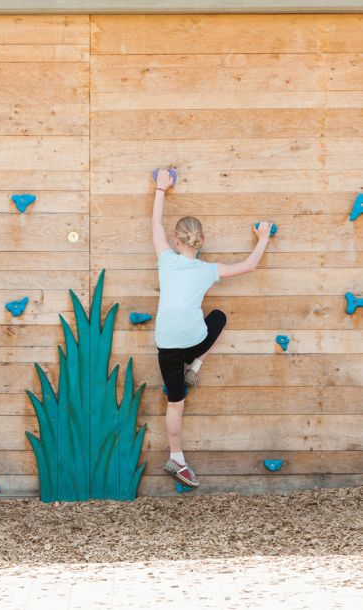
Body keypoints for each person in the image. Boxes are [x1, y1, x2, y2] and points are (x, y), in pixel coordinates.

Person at [152, 168, 272, 487]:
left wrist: (161, 188)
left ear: (177, 241)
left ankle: (177, 459)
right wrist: (263, 238)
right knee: (217, 316)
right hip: (193, 344)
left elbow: (155, 226)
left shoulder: (165, 259)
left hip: (166, 348)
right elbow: (249, 265)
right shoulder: (207, 270)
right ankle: (198, 364)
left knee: (176, 402)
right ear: (201, 241)